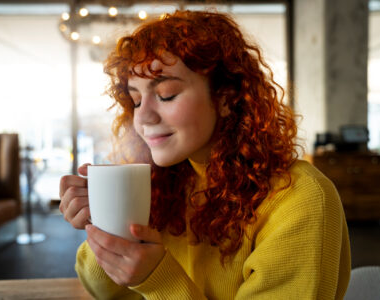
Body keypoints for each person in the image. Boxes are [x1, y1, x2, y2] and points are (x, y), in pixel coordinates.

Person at [59, 10, 351, 300]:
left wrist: (157, 280)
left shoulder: (300, 199)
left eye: (167, 94)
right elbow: (104, 292)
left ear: (225, 98)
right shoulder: (162, 183)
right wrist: (106, 221)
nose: (143, 118)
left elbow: (149, 288)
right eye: (135, 100)